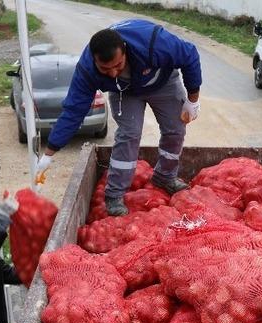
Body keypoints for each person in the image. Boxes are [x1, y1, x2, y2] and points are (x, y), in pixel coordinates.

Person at [36, 19, 203, 216]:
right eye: (105, 70)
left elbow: (189, 54)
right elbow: (74, 110)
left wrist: (192, 100)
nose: (113, 72)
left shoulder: (153, 43)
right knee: (129, 134)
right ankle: (114, 194)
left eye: (118, 65)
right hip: (124, 92)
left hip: (162, 81)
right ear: (94, 60)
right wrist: (49, 152)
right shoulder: (87, 69)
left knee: (175, 129)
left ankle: (165, 177)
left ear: (125, 50)